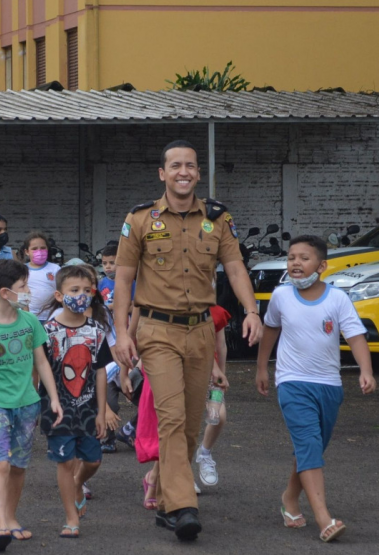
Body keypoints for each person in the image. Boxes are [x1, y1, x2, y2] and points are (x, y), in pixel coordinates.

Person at [111, 139, 262, 541]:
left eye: (190, 166)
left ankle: (163, 495)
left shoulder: (217, 219)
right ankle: (183, 507)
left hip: (201, 332)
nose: (183, 171)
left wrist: (251, 311)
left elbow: (234, 267)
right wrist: (122, 332)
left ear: (197, 173)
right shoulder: (140, 219)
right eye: (175, 165)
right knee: (172, 418)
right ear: (163, 173)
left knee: (192, 422)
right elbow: (123, 279)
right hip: (157, 331)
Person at [255, 235, 376, 543]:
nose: (296, 262)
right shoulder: (281, 296)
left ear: (321, 266)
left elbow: (355, 335)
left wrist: (366, 370)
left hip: (329, 385)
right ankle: (324, 518)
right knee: (308, 443)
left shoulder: (337, 298)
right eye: (292, 257)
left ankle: (289, 498)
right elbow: (270, 330)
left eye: (304, 258)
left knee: (312, 448)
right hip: (292, 383)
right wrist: (261, 368)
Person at [0, 259, 62, 552]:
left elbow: (42, 362)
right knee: (0, 464)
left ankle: (11, 517)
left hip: (28, 404)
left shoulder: (30, 321)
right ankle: (0, 525)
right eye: (24, 286)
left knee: (18, 466)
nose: (29, 290)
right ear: (6, 292)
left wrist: (53, 398)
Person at [40, 265, 113, 539]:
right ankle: (71, 517)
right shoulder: (46, 332)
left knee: (93, 460)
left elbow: (101, 372)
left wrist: (102, 410)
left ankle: (77, 484)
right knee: (65, 462)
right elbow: (40, 371)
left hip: (89, 410)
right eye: (74, 290)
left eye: (86, 290)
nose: (81, 295)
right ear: (60, 295)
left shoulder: (96, 330)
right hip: (57, 410)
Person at [195, 304, 231, 489]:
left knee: (218, 416)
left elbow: (221, 344)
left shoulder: (216, 312)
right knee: (181, 422)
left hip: (211, 372)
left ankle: (205, 453)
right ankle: (182, 474)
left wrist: (222, 373)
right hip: (183, 371)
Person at [20, 230, 61, 322]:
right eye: (34, 249)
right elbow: (21, 293)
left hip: (52, 317)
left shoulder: (55, 269)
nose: (39, 251)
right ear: (27, 251)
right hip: (30, 317)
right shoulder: (22, 270)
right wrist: (26, 315)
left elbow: (62, 291)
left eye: (43, 248)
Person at [97, 243, 135, 310]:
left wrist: (112, 307)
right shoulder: (100, 283)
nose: (107, 267)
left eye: (112, 263)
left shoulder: (130, 283)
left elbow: (135, 307)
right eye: (104, 263)